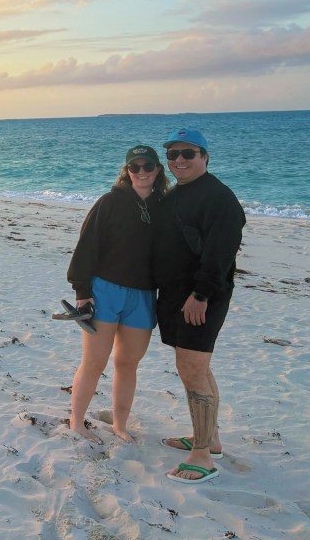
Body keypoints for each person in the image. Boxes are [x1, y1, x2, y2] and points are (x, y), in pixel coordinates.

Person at [153, 127, 245, 484]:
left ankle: (202, 455)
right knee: (198, 367)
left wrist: (201, 295)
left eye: (188, 154)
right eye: (173, 155)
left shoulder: (219, 198)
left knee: (191, 367)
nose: (179, 161)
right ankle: (211, 437)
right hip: (178, 295)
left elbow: (221, 253)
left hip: (202, 297)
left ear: (205, 157)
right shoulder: (179, 194)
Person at [65, 144, 169, 443]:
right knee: (94, 361)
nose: (141, 172)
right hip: (105, 291)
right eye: (134, 167)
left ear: (157, 170)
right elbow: (87, 245)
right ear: (127, 171)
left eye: (147, 166)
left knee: (127, 364)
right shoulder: (110, 202)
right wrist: (82, 291)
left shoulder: (165, 207)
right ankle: (77, 422)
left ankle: (120, 425)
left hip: (144, 296)